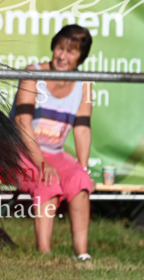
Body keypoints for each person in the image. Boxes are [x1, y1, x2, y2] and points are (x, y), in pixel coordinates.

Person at [12, 24, 95, 260]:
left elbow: (82, 129)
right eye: (60, 48)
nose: (62, 56)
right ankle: (45, 255)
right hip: (21, 151)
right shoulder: (33, 74)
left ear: (81, 57)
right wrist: (42, 163)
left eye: (71, 51)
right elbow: (22, 122)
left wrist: (84, 167)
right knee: (47, 181)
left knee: (80, 181)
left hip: (56, 154)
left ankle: (82, 254)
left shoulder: (85, 85)